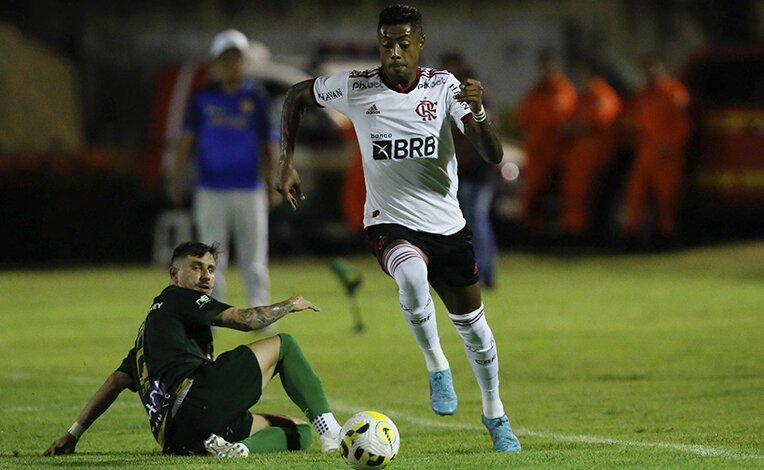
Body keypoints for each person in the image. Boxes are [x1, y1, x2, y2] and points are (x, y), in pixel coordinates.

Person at [278, 4, 521, 452]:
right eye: (386, 42)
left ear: (420, 45)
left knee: (477, 331)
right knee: (410, 275)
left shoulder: (444, 88)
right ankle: (437, 368)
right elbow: (295, 95)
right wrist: (286, 163)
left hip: (447, 226)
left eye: (403, 43)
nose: (394, 52)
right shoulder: (356, 86)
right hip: (388, 222)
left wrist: (480, 113)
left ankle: (495, 414)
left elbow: (491, 156)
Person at [43, 241, 342, 458]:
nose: (206, 276)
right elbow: (245, 320)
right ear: (174, 275)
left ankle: (238, 450)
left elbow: (114, 383)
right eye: (196, 267)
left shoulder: (148, 336)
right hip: (197, 399)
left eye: (211, 269)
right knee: (285, 344)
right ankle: (332, 432)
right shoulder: (177, 298)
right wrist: (289, 304)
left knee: (298, 431)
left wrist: (73, 434)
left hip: (177, 439)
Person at [170, 29, 274, 310]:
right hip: (211, 188)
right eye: (225, 58)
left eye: (236, 57)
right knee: (209, 259)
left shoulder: (257, 97)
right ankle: (212, 313)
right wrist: (176, 176)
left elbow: (269, 142)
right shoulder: (203, 98)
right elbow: (186, 139)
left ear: (244, 61)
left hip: (249, 188)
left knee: (254, 257)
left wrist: (273, 179)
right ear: (216, 62)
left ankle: (258, 311)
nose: (231, 63)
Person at [441, 51, 499, 289]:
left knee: (475, 221)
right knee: (467, 222)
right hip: (461, 171)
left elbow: (483, 130)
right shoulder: (448, 97)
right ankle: (477, 272)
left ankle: (484, 274)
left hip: (478, 171)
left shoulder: (471, 98)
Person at [623, 57, 690, 244]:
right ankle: (633, 237)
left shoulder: (673, 92)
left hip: (666, 154)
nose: (652, 73)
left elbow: (683, 123)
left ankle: (667, 237)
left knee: (666, 198)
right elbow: (635, 124)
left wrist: (671, 146)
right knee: (636, 194)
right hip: (645, 153)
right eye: (648, 69)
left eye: (655, 68)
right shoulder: (643, 95)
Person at [516, 49, 577, 236]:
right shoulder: (537, 92)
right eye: (543, 66)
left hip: (558, 152)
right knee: (532, 195)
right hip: (537, 153)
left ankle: (564, 233)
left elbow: (567, 120)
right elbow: (522, 117)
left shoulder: (563, 91)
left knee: (562, 194)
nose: (546, 70)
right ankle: (533, 232)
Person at [560, 60, 622, 240]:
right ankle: (574, 232)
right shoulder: (585, 97)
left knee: (583, 196)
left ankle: (582, 236)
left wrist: (574, 127)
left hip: (593, 154)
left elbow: (598, 121)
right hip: (580, 155)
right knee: (575, 195)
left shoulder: (602, 96)